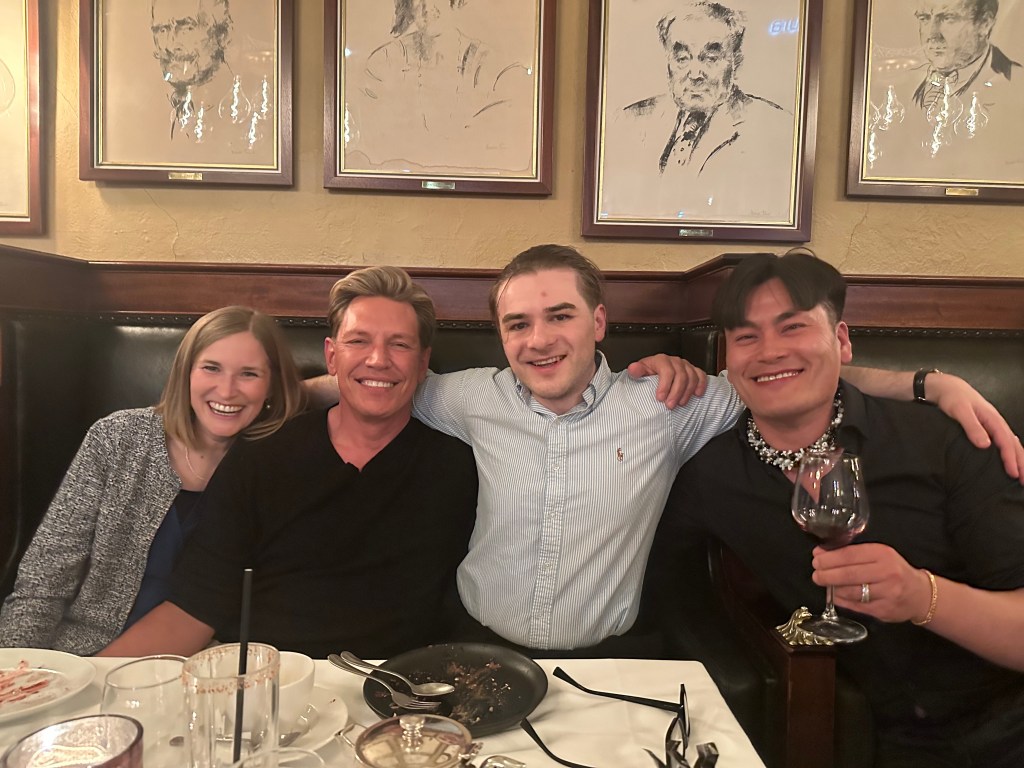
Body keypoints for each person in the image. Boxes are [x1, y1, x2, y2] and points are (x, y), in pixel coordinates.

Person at [309, 244, 1023, 656]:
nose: (539, 340)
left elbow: (780, 375)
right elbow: (374, 381)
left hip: (613, 658)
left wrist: (926, 383)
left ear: (598, 322)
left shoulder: (669, 400)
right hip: (473, 641)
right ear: (500, 334)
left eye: (560, 316)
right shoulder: (470, 397)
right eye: (518, 323)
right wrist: (272, 398)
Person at [661, 252, 1024, 767]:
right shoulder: (713, 475)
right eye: (746, 337)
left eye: (793, 327)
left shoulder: (945, 441)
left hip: (1008, 717)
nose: (769, 351)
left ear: (842, 340)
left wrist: (922, 595)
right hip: (884, 738)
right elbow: (667, 587)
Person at [99, 267, 478, 659]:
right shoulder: (262, 456)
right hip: (266, 672)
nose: (378, 359)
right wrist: (94, 684)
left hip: (400, 680)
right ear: (332, 356)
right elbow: (195, 605)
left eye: (399, 345)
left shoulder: (457, 467)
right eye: (358, 341)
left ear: (422, 362)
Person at [0, 306, 306, 656]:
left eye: (249, 374)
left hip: (211, 663)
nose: (226, 390)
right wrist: (16, 667)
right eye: (211, 368)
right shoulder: (117, 438)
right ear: (185, 372)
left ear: (272, 385)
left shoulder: (277, 460)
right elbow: (45, 576)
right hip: (88, 654)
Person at [604, 2, 796, 222]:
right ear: (668, 62)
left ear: (736, 62)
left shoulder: (776, 128)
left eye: (711, 58)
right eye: (682, 58)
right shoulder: (629, 121)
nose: (695, 74)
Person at [867, 0, 1024, 181]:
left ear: (985, 24)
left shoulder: (1017, 85)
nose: (932, 35)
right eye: (925, 18)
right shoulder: (896, 86)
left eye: (948, 18)